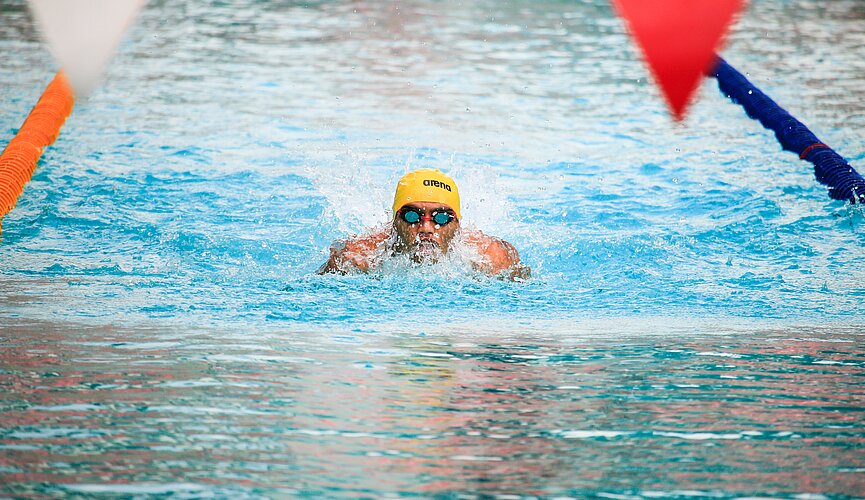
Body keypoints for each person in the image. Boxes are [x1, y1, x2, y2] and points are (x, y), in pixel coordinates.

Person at [319, 168, 529, 280]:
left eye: (441, 218)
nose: (426, 228)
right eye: (412, 216)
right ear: (395, 222)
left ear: (457, 223)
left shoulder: (492, 258)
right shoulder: (357, 256)